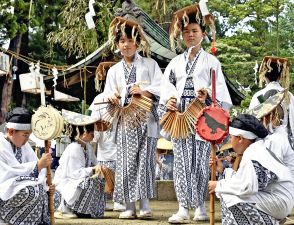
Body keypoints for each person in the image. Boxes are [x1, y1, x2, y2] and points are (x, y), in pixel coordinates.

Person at [158, 3, 232, 224]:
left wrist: (207, 96)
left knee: (201, 162)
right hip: (181, 116)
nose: (190, 35)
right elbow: (166, 88)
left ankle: (200, 206)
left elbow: (221, 93)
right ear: (181, 35)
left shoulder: (212, 62)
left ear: (203, 34)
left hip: (203, 117)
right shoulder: (174, 63)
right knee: (181, 162)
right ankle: (182, 208)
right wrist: (170, 100)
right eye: (186, 32)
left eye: (195, 31)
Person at [104, 16, 162, 219]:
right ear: (117, 45)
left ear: (137, 42)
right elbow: (106, 93)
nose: (126, 45)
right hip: (125, 123)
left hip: (146, 120)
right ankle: (129, 206)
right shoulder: (113, 70)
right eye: (122, 41)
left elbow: (161, 87)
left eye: (130, 40)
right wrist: (110, 96)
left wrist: (144, 90)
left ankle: (145, 205)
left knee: (145, 162)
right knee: (126, 164)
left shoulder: (150, 64)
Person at [208, 114, 294, 225]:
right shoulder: (255, 148)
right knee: (228, 192)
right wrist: (222, 170)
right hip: (277, 199)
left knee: (230, 196)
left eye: (231, 137)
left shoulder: (254, 152)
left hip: (279, 201)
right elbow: (246, 181)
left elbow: (247, 187)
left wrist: (218, 185)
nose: (230, 140)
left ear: (240, 138)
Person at [0, 107, 54, 225]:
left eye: (28, 135)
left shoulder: (24, 145)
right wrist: (38, 165)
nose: (27, 139)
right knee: (32, 191)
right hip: (5, 193)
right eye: (25, 135)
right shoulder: (1, 144)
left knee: (53, 194)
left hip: (24, 185)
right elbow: (7, 175)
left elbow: (37, 170)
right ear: (10, 132)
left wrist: (45, 183)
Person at [53, 110, 107, 219]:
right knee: (88, 182)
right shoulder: (74, 148)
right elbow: (74, 174)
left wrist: (101, 169)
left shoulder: (88, 147)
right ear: (83, 133)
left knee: (100, 179)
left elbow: (95, 164)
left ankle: (87, 210)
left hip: (76, 180)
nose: (93, 135)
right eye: (91, 132)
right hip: (67, 183)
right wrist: (92, 170)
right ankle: (70, 208)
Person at [89, 92, 126, 212]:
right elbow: (93, 121)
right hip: (105, 147)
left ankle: (119, 200)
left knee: (122, 175)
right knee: (105, 176)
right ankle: (104, 201)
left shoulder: (127, 96)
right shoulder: (100, 98)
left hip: (123, 145)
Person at [249, 56, 294, 146]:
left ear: (264, 75)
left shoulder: (258, 96)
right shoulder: (289, 96)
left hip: (262, 143)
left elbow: (251, 122)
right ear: (280, 76)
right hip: (285, 143)